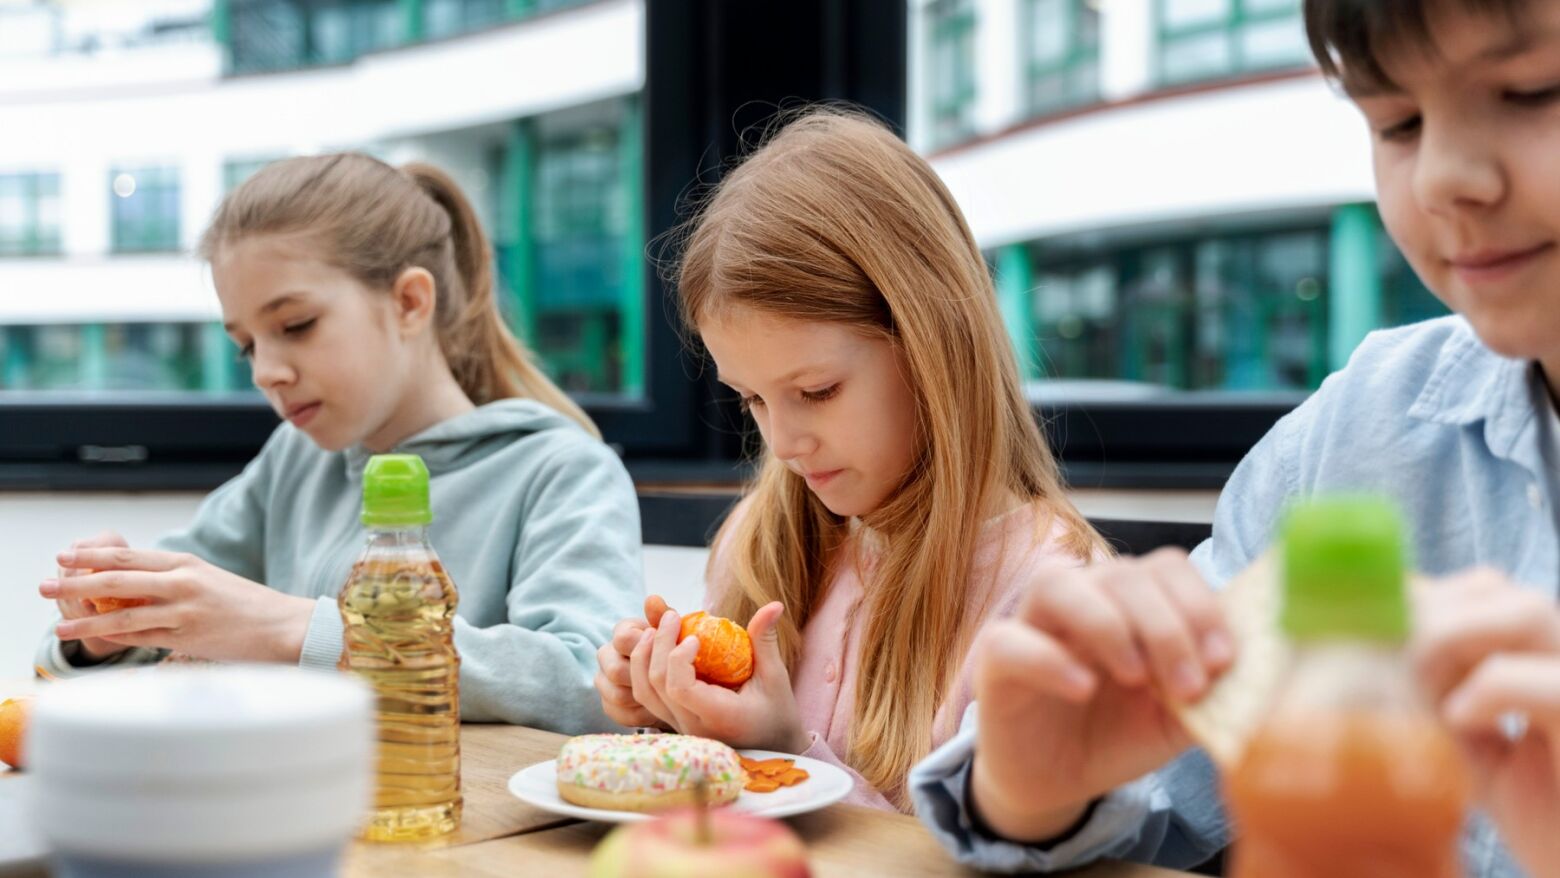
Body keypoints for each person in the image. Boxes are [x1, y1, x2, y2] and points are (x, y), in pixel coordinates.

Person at [908, 1, 1560, 874]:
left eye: (1533, 90)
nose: (1442, 176)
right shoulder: (1359, 438)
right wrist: (1031, 790)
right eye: (1396, 122)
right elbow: (1138, 795)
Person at [595, 108, 1108, 810]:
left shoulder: (1052, 600)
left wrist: (783, 755)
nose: (782, 443)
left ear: (934, 344)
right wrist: (674, 717)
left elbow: (981, 855)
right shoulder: (758, 540)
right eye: (752, 400)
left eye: (816, 391)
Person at [36, 154, 642, 733]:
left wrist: (299, 630)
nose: (264, 372)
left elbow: (592, 685)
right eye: (246, 344)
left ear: (410, 302)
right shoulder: (295, 460)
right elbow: (133, 641)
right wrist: (107, 630)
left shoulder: (560, 470)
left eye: (295, 325)